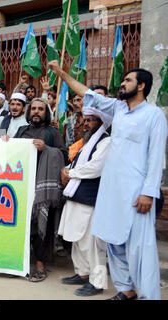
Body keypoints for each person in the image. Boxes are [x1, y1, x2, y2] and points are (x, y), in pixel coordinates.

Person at [49, 59, 167, 300]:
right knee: (113, 241)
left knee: (138, 247)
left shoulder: (154, 115)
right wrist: (61, 73)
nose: (122, 84)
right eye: (123, 80)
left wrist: (148, 192)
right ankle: (126, 290)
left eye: (127, 81)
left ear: (141, 86)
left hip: (137, 193)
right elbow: (86, 92)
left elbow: (156, 158)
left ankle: (148, 295)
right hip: (111, 191)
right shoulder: (118, 108)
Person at [58, 107, 112, 297]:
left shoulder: (106, 141)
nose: (86, 124)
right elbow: (76, 163)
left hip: (91, 198)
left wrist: (69, 173)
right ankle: (82, 274)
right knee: (77, 239)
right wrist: (66, 170)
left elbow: (95, 168)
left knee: (92, 243)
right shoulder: (86, 143)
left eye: (91, 120)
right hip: (76, 195)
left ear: (101, 122)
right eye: (85, 120)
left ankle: (96, 283)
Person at [14, 98, 68, 282]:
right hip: (21, 184)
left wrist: (46, 149)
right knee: (22, 222)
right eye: (34, 109)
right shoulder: (22, 130)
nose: (36, 112)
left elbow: (63, 154)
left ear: (46, 112)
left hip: (42, 185)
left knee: (40, 224)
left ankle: (40, 264)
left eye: (41, 109)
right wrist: (6, 141)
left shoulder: (52, 132)